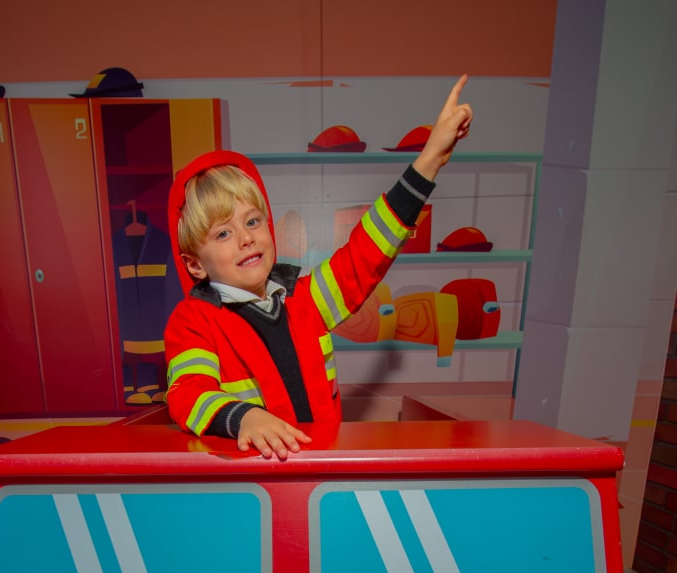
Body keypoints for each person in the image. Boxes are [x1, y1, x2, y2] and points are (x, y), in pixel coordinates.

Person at [164, 75, 473, 459]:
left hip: (321, 468)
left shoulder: (306, 299)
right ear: (194, 265)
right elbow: (187, 394)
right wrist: (244, 418)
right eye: (223, 233)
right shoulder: (194, 321)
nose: (246, 238)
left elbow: (364, 254)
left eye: (253, 221)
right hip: (256, 478)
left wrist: (429, 161)